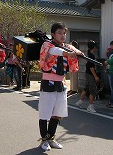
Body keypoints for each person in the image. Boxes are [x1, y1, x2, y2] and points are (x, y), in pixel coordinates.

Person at [38, 22, 82, 151]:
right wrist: (68, 53)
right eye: (59, 33)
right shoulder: (47, 45)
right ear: (53, 34)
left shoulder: (67, 47)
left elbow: (75, 50)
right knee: (45, 113)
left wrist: (79, 53)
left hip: (61, 83)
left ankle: (51, 137)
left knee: (57, 113)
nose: (63, 36)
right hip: (48, 83)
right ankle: (44, 140)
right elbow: (56, 51)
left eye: (64, 33)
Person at [75, 40, 99, 113]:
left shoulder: (87, 54)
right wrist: (95, 76)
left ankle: (79, 102)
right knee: (93, 90)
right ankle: (90, 106)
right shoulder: (91, 56)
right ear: (93, 47)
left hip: (87, 73)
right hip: (90, 74)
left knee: (86, 88)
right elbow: (92, 68)